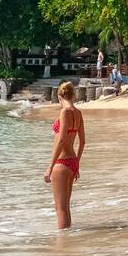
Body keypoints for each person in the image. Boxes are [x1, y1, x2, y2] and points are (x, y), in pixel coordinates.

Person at [44, 81, 86, 229]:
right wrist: (77, 164)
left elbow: (61, 140)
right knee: (65, 207)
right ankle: (67, 240)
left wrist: (50, 166)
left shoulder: (64, 112)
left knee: (60, 208)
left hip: (61, 163)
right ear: (73, 95)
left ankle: (62, 244)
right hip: (72, 160)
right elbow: (82, 142)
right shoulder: (78, 113)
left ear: (59, 96)